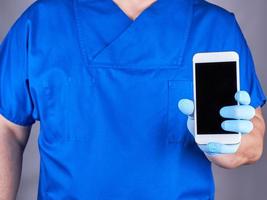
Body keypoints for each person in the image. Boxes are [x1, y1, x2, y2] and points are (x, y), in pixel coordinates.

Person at [0, 0, 265, 199]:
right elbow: (7, 127)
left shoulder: (214, 28)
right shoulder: (42, 22)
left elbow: (253, 140)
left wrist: (234, 147)